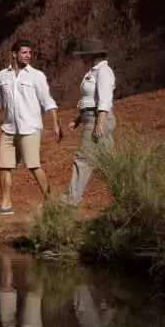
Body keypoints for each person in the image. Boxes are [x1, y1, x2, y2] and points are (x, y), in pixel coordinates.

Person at [0, 40, 61, 215]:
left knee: (33, 165)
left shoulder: (36, 76)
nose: (28, 55)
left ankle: (51, 203)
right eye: (24, 52)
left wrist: (56, 124)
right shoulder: (3, 75)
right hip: (9, 128)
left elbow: (48, 101)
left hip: (30, 128)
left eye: (29, 53)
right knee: (4, 166)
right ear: (14, 54)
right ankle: (6, 205)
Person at [64, 39, 116, 207]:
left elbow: (104, 99)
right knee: (110, 163)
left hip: (97, 119)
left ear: (92, 54)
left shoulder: (103, 71)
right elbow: (89, 99)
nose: (82, 58)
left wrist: (99, 124)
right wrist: (78, 119)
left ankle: (69, 201)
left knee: (83, 158)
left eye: (84, 55)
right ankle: (129, 197)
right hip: (91, 118)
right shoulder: (93, 72)